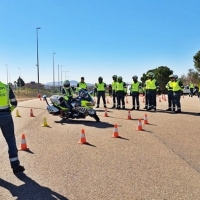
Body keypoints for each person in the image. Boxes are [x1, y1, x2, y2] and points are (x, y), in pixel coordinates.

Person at [0, 81, 25, 174]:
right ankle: (15, 166)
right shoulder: (6, 87)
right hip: (6, 116)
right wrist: (8, 111)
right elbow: (14, 102)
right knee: (11, 140)